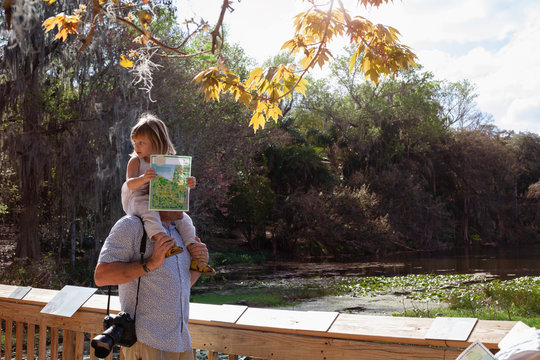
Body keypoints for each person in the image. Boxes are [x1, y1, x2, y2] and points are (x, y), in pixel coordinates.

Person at [94, 211, 209, 359]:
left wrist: (198, 265)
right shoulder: (132, 225)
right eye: (176, 190)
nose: (184, 199)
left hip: (181, 343)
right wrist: (152, 262)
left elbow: (180, 286)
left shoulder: (181, 232)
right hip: (147, 343)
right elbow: (101, 276)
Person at [122, 112, 214, 275]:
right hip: (137, 198)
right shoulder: (136, 161)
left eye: (141, 143)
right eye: (134, 142)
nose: (136, 147)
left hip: (159, 197)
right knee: (149, 211)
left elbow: (175, 185)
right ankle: (163, 241)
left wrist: (187, 183)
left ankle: (194, 251)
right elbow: (129, 184)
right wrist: (143, 178)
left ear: (157, 142)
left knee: (183, 218)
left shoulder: (166, 161)